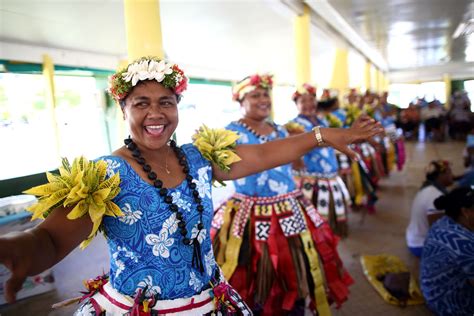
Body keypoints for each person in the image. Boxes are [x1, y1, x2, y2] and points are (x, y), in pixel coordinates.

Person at [0, 58, 382, 315]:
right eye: (141, 103)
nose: (155, 113)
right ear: (123, 109)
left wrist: (322, 135)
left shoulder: (198, 157)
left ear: (178, 107)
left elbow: (263, 155)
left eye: (166, 101)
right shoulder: (105, 175)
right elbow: (49, 241)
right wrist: (22, 249)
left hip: (209, 301)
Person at [211, 75, 379, 315]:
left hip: (290, 211)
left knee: (295, 274)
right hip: (251, 218)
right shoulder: (229, 133)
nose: (262, 99)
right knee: (254, 282)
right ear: (240, 100)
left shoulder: (280, 129)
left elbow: (296, 159)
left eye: (265, 94)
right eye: (254, 95)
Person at [288, 84, 351, 237]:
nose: (309, 104)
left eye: (311, 99)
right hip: (308, 180)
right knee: (311, 220)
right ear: (296, 104)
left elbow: (337, 145)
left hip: (331, 175)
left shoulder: (325, 122)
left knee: (330, 220)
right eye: (303, 101)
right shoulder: (292, 126)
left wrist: (343, 164)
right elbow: (290, 153)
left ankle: (329, 238)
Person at [420, 187, 474, 315]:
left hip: (431, 294)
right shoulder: (466, 245)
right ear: (465, 212)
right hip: (450, 307)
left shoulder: (443, 222)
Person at [405, 160, 454, 258]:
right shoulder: (435, 195)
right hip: (420, 245)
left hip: (414, 239)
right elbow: (438, 230)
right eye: (449, 172)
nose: (452, 175)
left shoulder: (429, 188)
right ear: (440, 176)